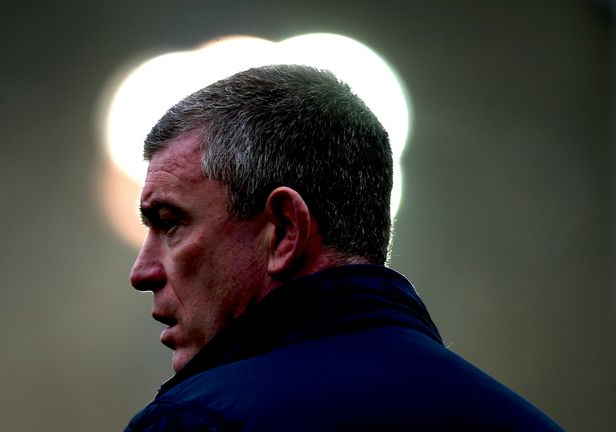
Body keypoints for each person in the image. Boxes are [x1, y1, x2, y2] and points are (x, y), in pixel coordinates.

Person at [124, 65, 562, 431]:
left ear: (282, 231)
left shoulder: (196, 424)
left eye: (170, 223)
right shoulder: (529, 423)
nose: (141, 272)